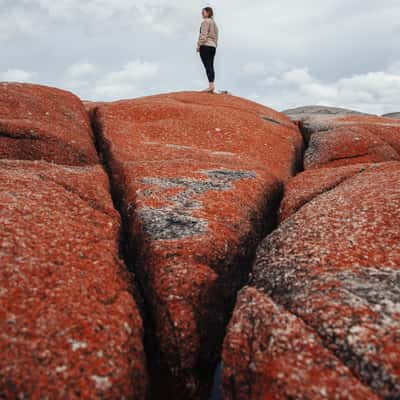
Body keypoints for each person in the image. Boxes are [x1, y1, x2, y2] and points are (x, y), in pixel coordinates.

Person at [197, 7, 219, 93]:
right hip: (212, 47)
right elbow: (217, 36)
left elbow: (203, 35)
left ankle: (211, 86)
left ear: (208, 13)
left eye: (203, 12)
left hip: (205, 46)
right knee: (211, 65)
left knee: (207, 66)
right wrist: (215, 45)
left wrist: (199, 44)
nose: (202, 14)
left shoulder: (205, 22)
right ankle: (211, 85)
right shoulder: (214, 24)